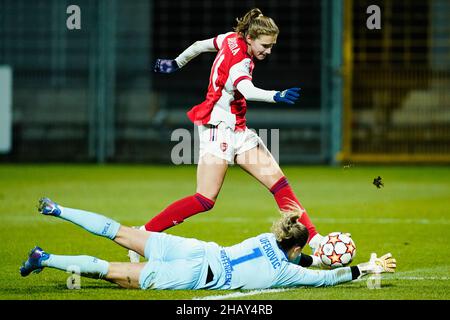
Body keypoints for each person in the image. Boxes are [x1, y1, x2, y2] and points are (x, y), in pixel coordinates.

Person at [132, 8, 323, 261]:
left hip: (237, 129)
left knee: (279, 184)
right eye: (265, 45)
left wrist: (176, 63)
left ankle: (317, 240)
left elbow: (200, 45)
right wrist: (276, 95)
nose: (269, 51)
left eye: (272, 46)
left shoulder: (230, 38)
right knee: (204, 199)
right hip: (217, 130)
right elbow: (248, 88)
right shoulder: (241, 61)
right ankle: (140, 235)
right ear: (251, 38)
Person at [20, 198, 396, 290]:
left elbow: (305, 259)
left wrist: (319, 258)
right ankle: (44, 257)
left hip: (196, 249)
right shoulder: (284, 271)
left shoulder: (268, 238)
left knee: (119, 231)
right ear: (296, 250)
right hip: (196, 275)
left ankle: (57, 208)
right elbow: (325, 278)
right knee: (113, 272)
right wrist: (367, 268)